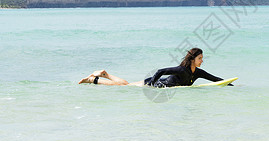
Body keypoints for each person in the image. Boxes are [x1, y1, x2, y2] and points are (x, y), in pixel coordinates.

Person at [78, 48, 233, 87]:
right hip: (153, 84)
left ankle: (104, 75)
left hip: (156, 84)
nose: (202, 61)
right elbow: (160, 71)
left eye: (202, 58)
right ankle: (95, 79)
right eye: (200, 58)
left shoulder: (197, 72)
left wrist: (231, 85)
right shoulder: (181, 70)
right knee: (124, 86)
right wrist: (152, 83)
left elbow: (214, 79)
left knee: (125, 85)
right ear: (192, 59)